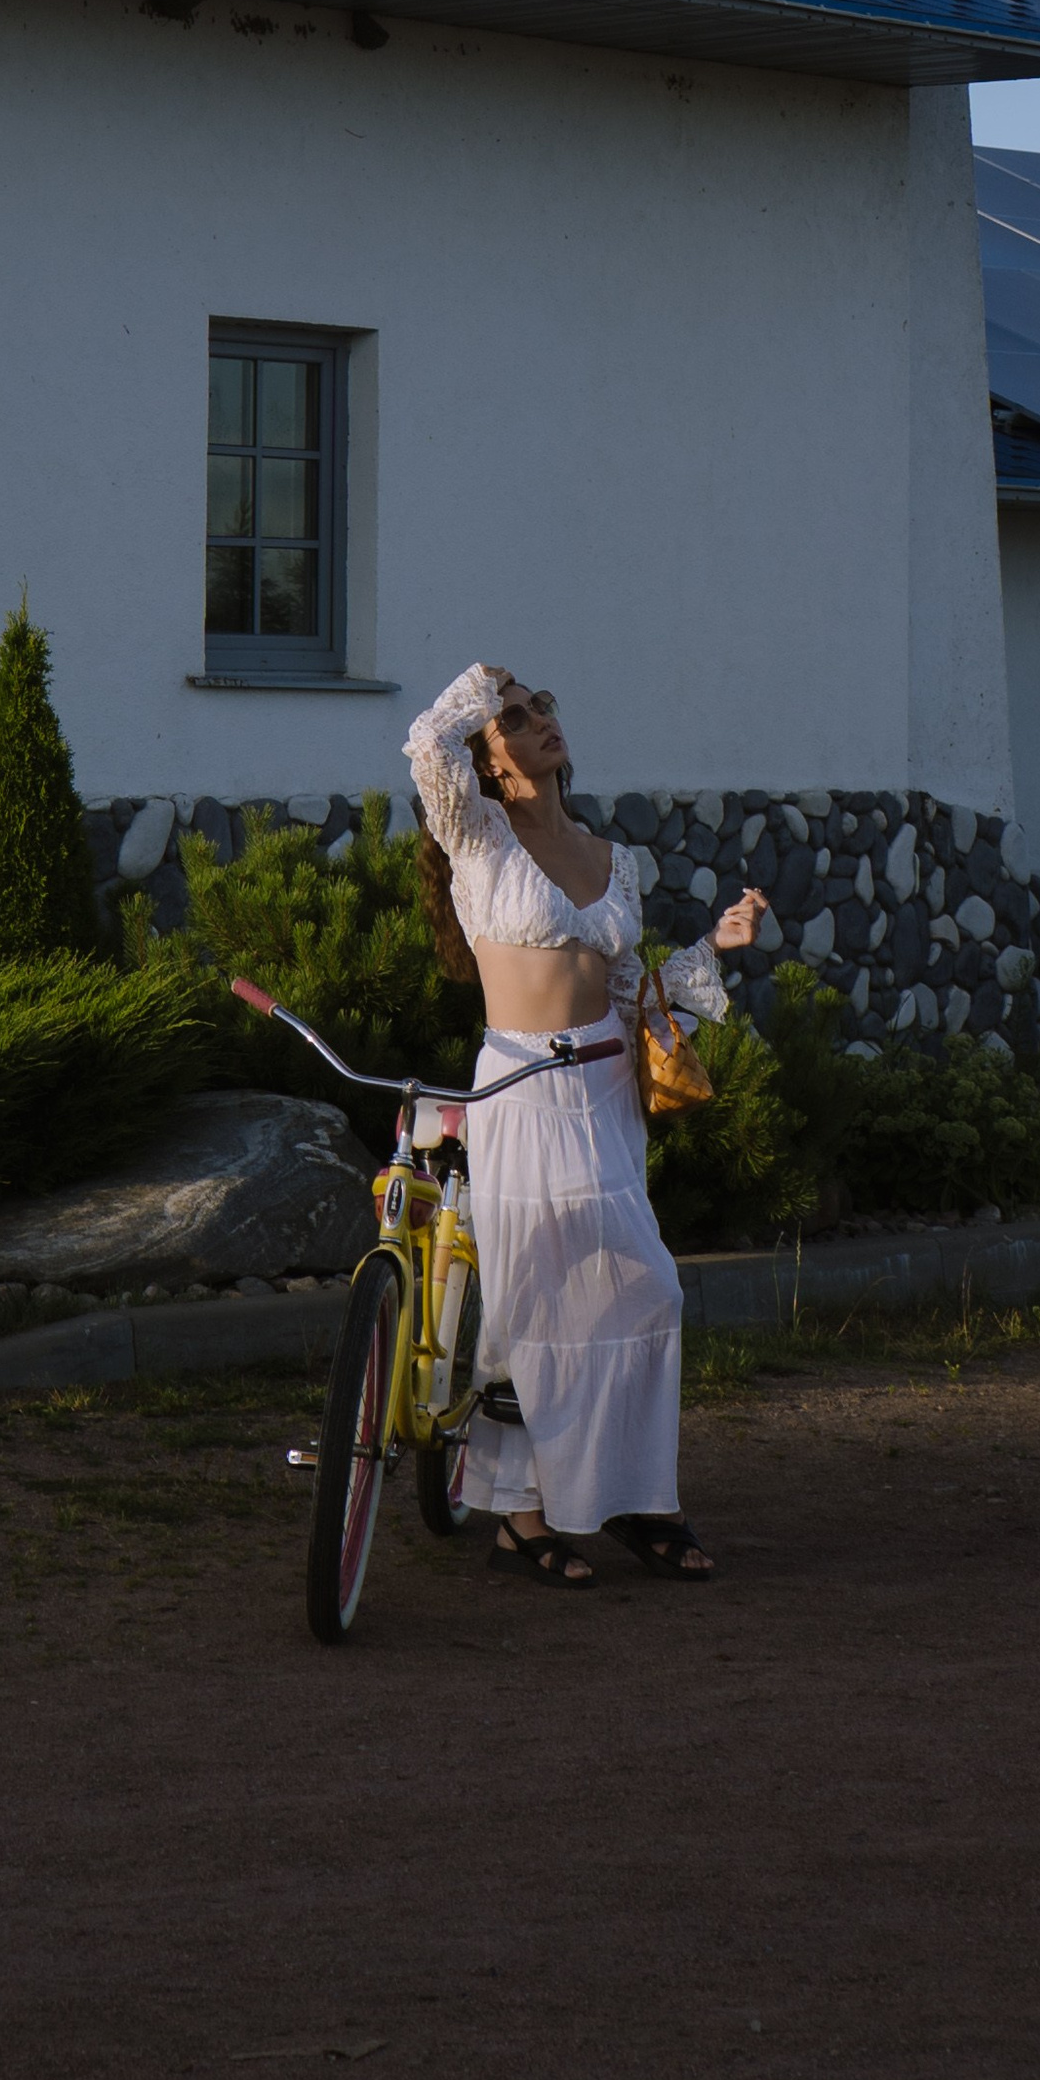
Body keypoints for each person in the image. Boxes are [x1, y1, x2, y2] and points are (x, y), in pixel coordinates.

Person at [405, 660, 762, 1586]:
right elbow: (426, 747)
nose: (538, 723)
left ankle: (644, 1503)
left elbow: (625, 994)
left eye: (541, 708)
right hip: (519, 1090)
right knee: (531, 1306)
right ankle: (525, 1520)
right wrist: (477, 687)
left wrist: (710, 950)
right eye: (515, 720)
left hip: (602, 1096)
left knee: (647, 1292)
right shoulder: (477, 837)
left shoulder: (617, 859)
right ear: (493, 763)